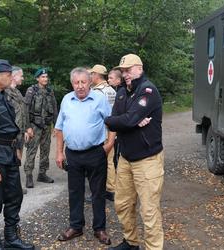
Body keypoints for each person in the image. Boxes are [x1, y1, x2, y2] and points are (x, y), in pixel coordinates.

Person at [105, 54, 164, 250]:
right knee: (122, 204)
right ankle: (131, 243)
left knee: (149, 211)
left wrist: (128, 120)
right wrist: (131, 121)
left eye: (128, 70)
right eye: (122, 71)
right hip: (125, 158)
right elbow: (113, 119)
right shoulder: (122, 92)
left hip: (147, 160)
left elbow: (125, 120)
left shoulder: (148, 91)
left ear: (140, 68)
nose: (125, 74)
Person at [55, 67, 114, 245]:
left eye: (83, 82)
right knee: (75, 192)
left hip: (95, 153)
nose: (80, 86)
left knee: (98, 193)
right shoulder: (66, 99)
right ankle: (76, 226)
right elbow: (59, 128)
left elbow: (112, 123)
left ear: (89, 82)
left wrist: (110, 144)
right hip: (72, 154)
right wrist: (59, 152)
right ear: (72, 83)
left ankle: (99, 229)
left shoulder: (99, 99)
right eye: (76, 82)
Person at [0, 59, 35, 250]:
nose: (11, 76)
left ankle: (11, 236)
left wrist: (16, 149)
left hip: (9, 153)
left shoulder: (2, 95)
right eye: (8, 74)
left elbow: (10, 128)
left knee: (14, 196)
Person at [24, 68, 58, 188]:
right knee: (31, 150)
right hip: (34, 125)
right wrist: (27, 127)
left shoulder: (50, 91)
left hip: (47, 125)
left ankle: (42, 174)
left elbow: (54, 109)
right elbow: (26, 109)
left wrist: (56, 125)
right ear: (37, 78)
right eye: (43, 77)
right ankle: (29, 175)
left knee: (45, 150)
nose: (45, 79)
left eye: (46, 77)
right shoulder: (31, 90)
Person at [5, 66, 33, 195]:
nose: (23, 78)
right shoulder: (5, 93)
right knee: (10, 160)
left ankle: (15, 186)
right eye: (21, 75)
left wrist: (27, 128)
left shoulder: (17, 92)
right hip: (11, 134)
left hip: (20, 132)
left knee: (17, 160)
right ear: (14, 76)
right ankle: (11, 187)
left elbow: (23, 112)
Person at [90, 64, 117, 201]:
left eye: (91, 74)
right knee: (110, 161)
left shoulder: (96, 92)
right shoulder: (111, 90)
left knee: (97, 162)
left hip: (101, 132)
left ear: (96, 75)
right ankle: (111, 189)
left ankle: (98, 190)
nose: (90, 76)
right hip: (112, 130)